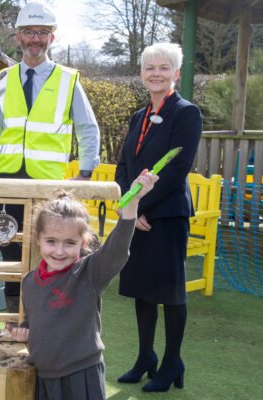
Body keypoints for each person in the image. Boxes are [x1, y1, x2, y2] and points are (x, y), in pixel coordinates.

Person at [0, 1, 101, 314]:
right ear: (18, 37)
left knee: (48, 254)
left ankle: (46, 319)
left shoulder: (69, 80)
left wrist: (86, 173)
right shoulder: (3, 81)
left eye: (42, 33)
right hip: (7, 181)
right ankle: (13, 320)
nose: (36, 38)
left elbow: (89, 129)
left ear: (52, 38)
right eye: (29, 32)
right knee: (8, 251)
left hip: (48, 183)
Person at [7, 171, 159, 400]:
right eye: (51, 241)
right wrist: (24, 330)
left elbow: (117, 249)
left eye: (69, 243)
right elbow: (35, 319)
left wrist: (133, 201)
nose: (59, 251)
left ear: (83, 242)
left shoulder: (89, 273)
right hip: (43, 378)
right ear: (38, 239)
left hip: (81, 377)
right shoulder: (29, 281)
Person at [114, 42, 202, 392]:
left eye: (164, 68)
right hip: (138, 215)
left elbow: (178, 168)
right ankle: (145, 357)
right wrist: (128, 206)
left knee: (170, 293)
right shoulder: (138, 116)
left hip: (166, 216)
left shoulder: (186, 112)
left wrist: (141, 208)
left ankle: (171, 362)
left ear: (176, 74)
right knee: (142, 290)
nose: (156, 73)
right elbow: (125, 167)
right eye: (150, 67)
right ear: (141, 74)